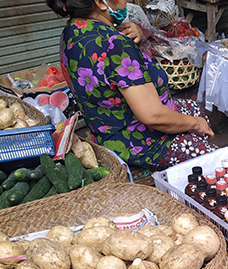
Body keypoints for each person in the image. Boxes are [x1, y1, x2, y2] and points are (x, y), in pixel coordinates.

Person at [47, 0, 217, 174]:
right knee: (215, 162)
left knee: (195, 108)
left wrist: (136, 35)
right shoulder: (117, 45)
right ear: (100, 3)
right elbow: (153, 116)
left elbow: (108, 68)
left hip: (106, 128)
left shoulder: (72, 30)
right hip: (137, 142)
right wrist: (195, 124)